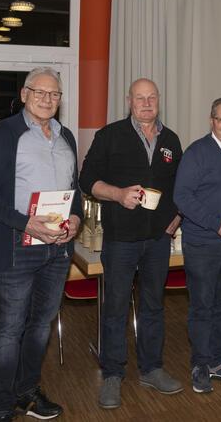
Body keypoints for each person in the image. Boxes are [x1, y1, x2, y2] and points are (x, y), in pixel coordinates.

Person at [0, 67, 82, 422]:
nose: (48, 100)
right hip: (17, 246)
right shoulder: (2, 135)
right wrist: (25, 222)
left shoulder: (66, 138)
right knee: (9, 329)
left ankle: (26, 392)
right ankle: (0, 407)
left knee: (40, 326)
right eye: (40, 92)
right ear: (24, 94)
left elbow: (74, 189)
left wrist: (76, 218)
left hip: (58, 249)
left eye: (55, 94)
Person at [79, 79, 183, 409]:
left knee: (153, 306)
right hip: (121, 238)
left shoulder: (171, 140)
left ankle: (151, 368)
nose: (147, 103)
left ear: (159, 101)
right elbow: (86, 180)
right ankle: (112, 374)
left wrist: (177, 216)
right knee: (116, 308)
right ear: (129, 101)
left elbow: (181, 185)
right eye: (140, 98)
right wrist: (118, 194)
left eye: (152, 97)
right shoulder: (110, 135)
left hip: (157, 240)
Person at [173, 97, 221, 394]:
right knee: (202, 306)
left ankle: (219, 361)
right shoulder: (197, 153)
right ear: (212, 121)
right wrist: (215, 222)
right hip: (204, 243)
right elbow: (182, 196)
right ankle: (201, 365)